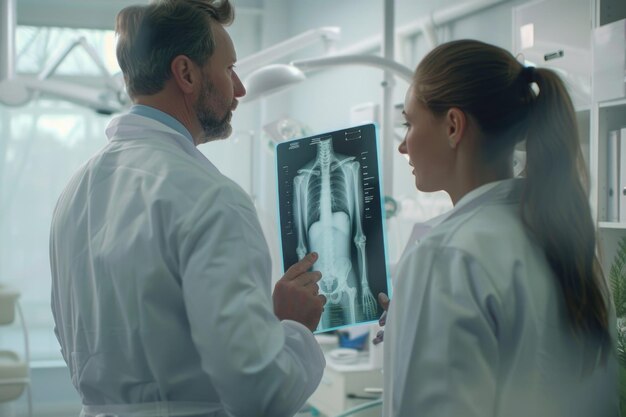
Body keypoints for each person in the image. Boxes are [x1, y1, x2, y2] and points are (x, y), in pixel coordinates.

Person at [49, 1, 326, 416]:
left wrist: (255, 324)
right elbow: (261, 393)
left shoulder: (74, 193)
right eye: (230, 68)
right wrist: (293, 328)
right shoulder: (211, 197)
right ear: (186, 73)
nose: (240, 88)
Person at [381, 39, 618, 417]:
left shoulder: (444, 255)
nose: (403, 146)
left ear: (454, 126)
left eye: (409, 123)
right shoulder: (569, 241)